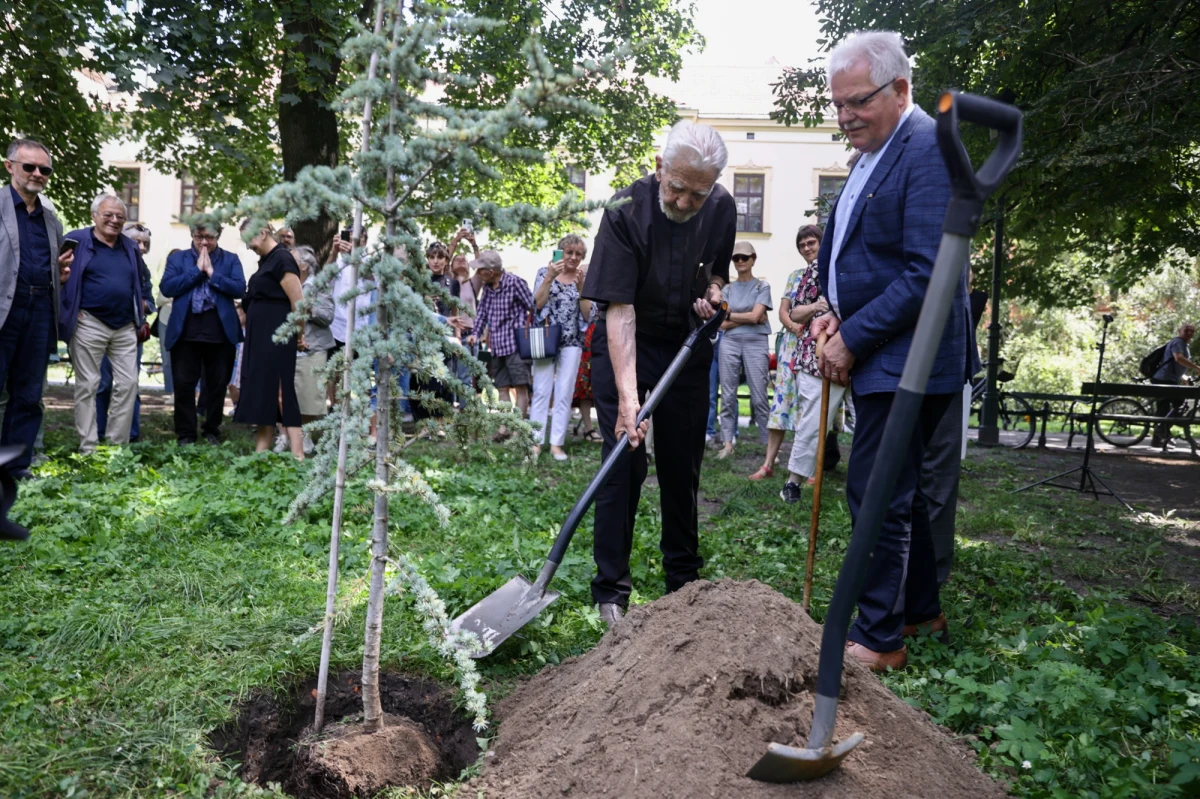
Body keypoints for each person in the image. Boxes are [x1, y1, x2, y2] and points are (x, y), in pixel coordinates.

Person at [807, 31, 976, 672]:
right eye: (838, 104)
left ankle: (879, 638)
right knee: (897, 487)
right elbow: (865, 256)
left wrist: (852, 335)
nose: (846, 115)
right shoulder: (875, 153)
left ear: (901, 89)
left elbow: (929, 269)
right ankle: (919, 608)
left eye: (858, 102)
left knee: (877, 492)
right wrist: (833, 313)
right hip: (884, 344)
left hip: (910, 357)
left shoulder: (928, 147)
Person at [582, 120, 736, 627]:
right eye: (678, 189)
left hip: (688, 347)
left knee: (681, 462)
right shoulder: (625, 212)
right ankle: (611, 592)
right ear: (658, 167)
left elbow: (716, 268)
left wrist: (713, 291)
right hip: (630, 342)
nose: (687, 202)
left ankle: (683, 584)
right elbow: (618, 311)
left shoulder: (720, 206)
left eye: (699, 192)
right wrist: (629, 400)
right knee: (623, 460)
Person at [756, 226, 850, 504]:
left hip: (862, 347)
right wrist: (816, 309)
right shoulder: (810, 272)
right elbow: (794, 311)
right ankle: (793, 482)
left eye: (813, 243)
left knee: (872, 419)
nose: (808, 248)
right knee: (810, 420)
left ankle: (877, 483)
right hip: (816, 355)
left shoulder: (850, 266)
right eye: (803, 244)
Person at [0, 139, 71, 478]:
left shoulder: (51, 219)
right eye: (29, 166)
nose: (38, 174)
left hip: (40, 308)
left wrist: (59, 273)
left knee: (28, 394)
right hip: (4, 310)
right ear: (9, 166)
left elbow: (45, 264)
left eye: (45, 169)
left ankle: (15, 467)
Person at [60, 194, 151, 453]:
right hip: (89, 322)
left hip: (124, 326)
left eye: (120, 217)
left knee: (128, 384)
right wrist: (68, 309)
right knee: (88, 384)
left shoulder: (130, 246)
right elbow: (58, 275)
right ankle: (88, 448)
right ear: (94, 216)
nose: (114, 220)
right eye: (108, 215)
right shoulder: (76, 240)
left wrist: (141, 312)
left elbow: (140, 282)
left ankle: (116, 447)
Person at [160, 222, 246, 445]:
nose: (204, 242)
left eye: (210, 237)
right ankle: (186, 434)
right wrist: (196, 272)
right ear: (192, 235)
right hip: (186, 332)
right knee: (184, 386)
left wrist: (211, 273)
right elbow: (168, 287)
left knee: (217, 386)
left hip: (220, 332)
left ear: (218, 236)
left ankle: (212, 430)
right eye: (199, 237)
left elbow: (239, 289)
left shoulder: (230, 259)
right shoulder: (178, 259)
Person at [232, 221, 306, 458]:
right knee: (264, 392)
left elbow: (299, 303)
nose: (248, 245)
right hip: (260, 337)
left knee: (282, 393)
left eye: (250, 239)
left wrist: (299, 334)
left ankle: (298, 454)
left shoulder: (283, 259)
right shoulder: (266, 261)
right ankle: (260, 453)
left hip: (278, 336)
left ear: (263, 233)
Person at [530, 235, 590, 461]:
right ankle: (535, 442)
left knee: (564, 393)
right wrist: (549, 278)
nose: (573, 257)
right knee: (541, 392)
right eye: (569, 252)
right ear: (560, 253)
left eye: (578, 254)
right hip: (546, 339)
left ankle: (557, 444)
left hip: (572, 343)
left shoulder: (584, 278)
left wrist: (583, 289)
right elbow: (536, 304)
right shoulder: (543, 273)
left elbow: (587, 314)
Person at [466, 250, 535, 439]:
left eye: (480, 270)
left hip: (516, 344)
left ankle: (518, 430)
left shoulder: (515, 283)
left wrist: (524, 328)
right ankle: (505, 428)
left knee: (521, 387)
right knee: (502, 388)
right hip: (497, 345)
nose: (478, 274)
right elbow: (482, 313)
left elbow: (532, 306)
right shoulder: (488, 288)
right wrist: (475, 333)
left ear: (490, 271)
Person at [96, 222, 154, 442]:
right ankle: (98, 433)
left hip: (131, 332)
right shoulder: (107, 260)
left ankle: (131, 435)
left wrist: (140, 305)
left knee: (130, 384)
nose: (141, 246)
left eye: (145, 243)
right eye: (136, 242)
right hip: (101, 329)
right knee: (101, 384)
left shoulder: (143, 269)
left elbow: (150, 300)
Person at [715, 241, 772, 458]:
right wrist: (751, 318)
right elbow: (720, 323)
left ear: (753, 259)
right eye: (736, 257)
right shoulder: (727, 289)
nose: (740, 261)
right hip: (729, 342)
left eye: (744, 257)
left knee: (759, 396)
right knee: (728, 395)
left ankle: (769, 447)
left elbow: (758, 316)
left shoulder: (762, 286)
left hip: (756, 342)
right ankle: (727, 443)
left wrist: (733, 316)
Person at [291, 245, 334, 451]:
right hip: (288, 345)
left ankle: (305, 436)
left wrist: (309, 308)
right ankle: (287, 435)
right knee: (289, 394)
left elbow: (327, 316)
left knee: (309, 396)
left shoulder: (318, 285)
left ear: (304, 265)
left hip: (313, 347)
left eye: (293, 260)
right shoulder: (287, 283)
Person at [1150, 323, 1199, 448]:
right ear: (1179, 331)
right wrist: (1196, 367)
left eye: (1192, 331)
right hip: (1164, 379)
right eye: (1186, 330)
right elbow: (1178, 358)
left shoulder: (1183, 344)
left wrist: (1183, 377)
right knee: (1179, 405)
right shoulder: (1178, 342)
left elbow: (1173, 363)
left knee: (1165, 408)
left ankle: (1158, 437)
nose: (1189, 333)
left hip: (1167, 379)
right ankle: (1162, 429)